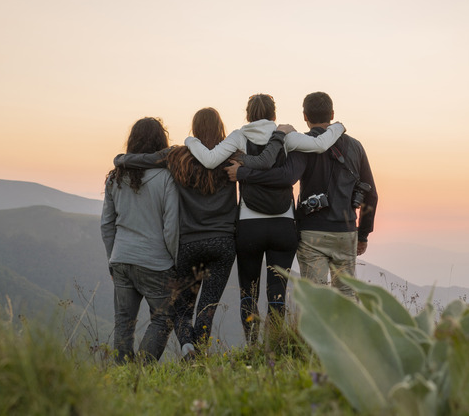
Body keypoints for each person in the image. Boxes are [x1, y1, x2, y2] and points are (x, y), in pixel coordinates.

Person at [113, 107, 286, 357]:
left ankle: (187, 347)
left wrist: (120, 159)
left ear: (194, 129)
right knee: (208, 305)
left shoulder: (177, 156)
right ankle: (200, 354)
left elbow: (145, 160)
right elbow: (265, 166)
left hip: (188, 244)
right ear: (221, 128)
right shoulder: (232, 156)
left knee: (183, 306)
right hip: (223, 243)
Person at [185, 94, 345, 343]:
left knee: (248, 290)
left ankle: (252, 344)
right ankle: (276, 343)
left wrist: (190, 140)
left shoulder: (239, 136)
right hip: (283, 225)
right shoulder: (285, 135)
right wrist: (339, 126)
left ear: (248, 114)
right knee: (277, 291)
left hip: (249, 226)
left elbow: (209, 160)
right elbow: (320, 145)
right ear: (273, 114)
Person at [225, 92, 378, 298]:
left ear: (305, 116)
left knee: (315, 299)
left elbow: (285, 176)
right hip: (346, 231)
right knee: (347, 295)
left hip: (311, 231)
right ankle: (346, 332)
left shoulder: (301, 144)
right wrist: (363, 235)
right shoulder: (355, 146)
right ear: (332, 114)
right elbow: (371, 194)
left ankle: (313, 331)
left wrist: (243, 172)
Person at [100, 117, 179, 364]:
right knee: (165, 318)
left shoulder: (115, 177)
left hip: (121, 259)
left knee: (123, 321)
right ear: (161, 142)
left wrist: (112, 260)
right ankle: (142, 370)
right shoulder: (167, 178)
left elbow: (106, 225)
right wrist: (175, 261)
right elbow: (171, 227)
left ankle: (123, 372)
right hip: (155, 262)